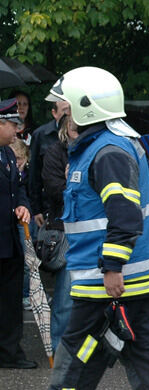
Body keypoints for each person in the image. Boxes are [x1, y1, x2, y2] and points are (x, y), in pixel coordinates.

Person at [0, 66, 149, 390]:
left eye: (61, 107)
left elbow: (124, 217)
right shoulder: (110, 146)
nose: (56, 113)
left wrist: (112, 268)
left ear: (84, 109)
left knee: (78, 348)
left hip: (110, 278)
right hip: (133, 276)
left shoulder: (107, 153)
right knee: (142, 345)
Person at [0, 98, 35, 369]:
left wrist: (22, 204)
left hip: (9, 242)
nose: (16, 131)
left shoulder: (9, 154)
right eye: (12, 125)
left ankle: (10, 353)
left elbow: (19, 187)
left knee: (10, 302)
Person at [40, 114, 78, 350]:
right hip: (66, 230)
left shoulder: (96, 150)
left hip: (93, 232)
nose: (76, 126)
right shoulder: (55, 152)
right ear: (65, 126)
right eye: (72, 123)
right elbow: (54, 190)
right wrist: (73, 183)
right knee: (65, 296)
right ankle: (59, 347)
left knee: (93, 296)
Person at [28, 99, 70, 229]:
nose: (68, 113)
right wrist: (36, 209)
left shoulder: (78, 132)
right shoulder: (41, 134)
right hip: (49, 203)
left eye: (70, 109)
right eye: (64, 110)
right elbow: (34, 173)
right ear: (54, 113)